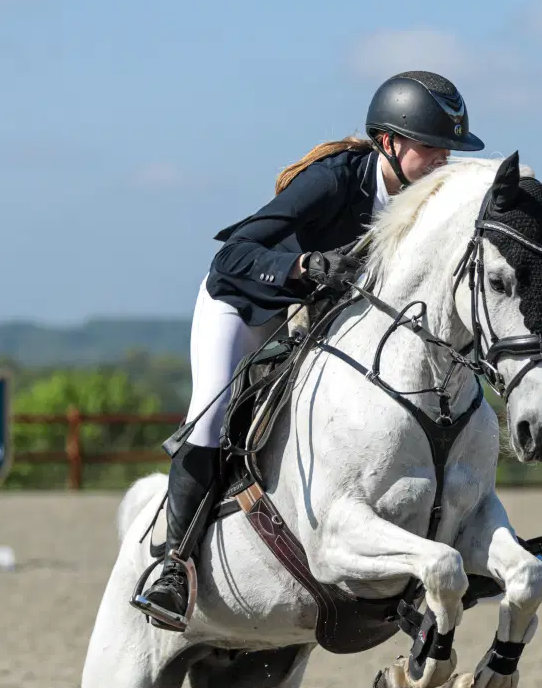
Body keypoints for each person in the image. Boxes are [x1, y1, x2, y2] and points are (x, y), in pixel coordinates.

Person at [134, 70, 485, 626]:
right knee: (211, 417)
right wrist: (303, 265)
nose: (443, 162)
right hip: (248, 303)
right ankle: (173, 567)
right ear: (389, 143)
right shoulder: (334, 181)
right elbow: (233, 253)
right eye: (432, 148)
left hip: (323, 316)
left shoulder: (431, 198)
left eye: (449, 150)